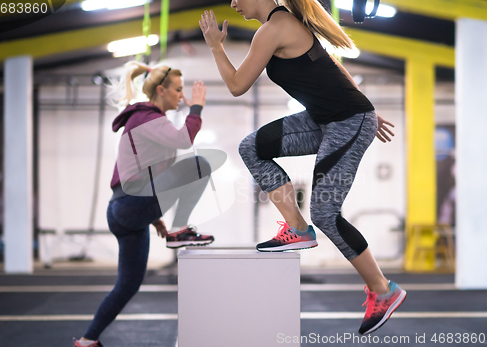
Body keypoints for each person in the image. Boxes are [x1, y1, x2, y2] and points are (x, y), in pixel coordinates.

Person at [199, 0, 405, 335]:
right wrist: (362, 104)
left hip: (345, 121)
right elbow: (332, 64)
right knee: (252, 148)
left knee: (325, 213)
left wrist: (215, 47)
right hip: (329, 119)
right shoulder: (287, 22)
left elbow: (237, 85)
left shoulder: (273, 28)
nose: (233, 3)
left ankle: (384, 290)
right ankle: (297, 228)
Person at [74, 63, 214, 347]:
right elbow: (184, 139)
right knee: (200, 164)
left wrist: (151, 216)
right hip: (128, 206)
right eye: (177, 90)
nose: (181, 96)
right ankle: (180, 230)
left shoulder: (146, 120)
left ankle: (87, 341)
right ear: (161, 91)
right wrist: (196, 108)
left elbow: (138, 174)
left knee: (128, 285)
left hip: (125, 210)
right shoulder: (146, 118)